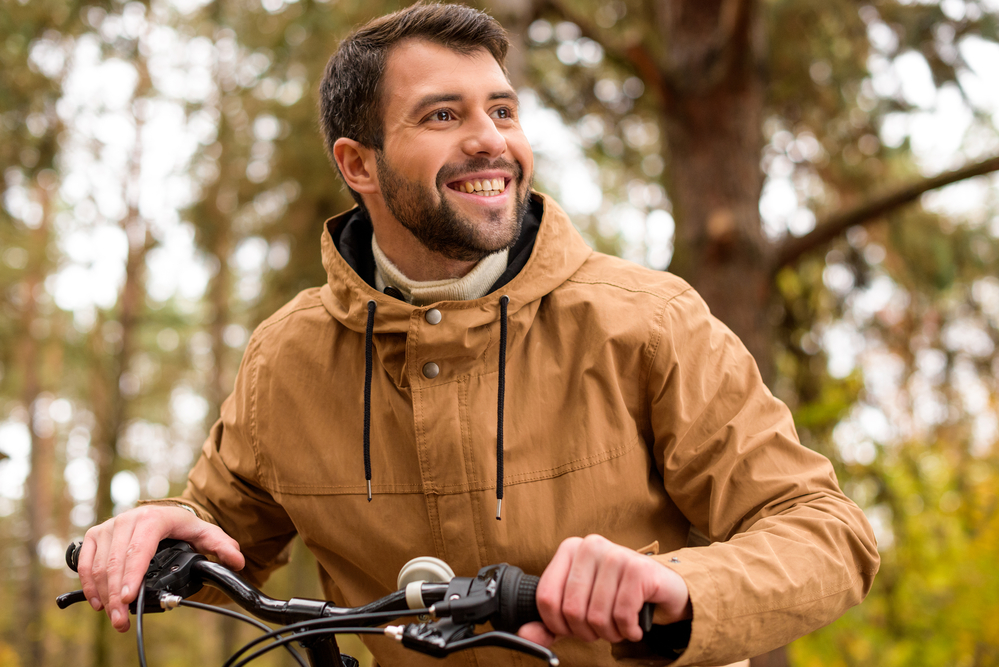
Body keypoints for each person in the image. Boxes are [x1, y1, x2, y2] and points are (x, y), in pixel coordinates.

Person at [77, 4, 879, 665]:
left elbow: (825, 532)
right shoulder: (286, 357)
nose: (492, 138)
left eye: (501, 110)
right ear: (359, 164)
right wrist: (153, 531)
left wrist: (677, 586)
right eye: (442, 115)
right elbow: (222, 547)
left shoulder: (646, 319)